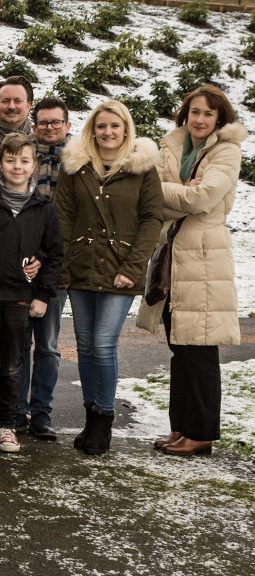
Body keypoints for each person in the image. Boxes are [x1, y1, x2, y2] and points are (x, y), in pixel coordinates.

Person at [138, 85, 245, 457]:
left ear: (220, 119)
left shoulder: (227, 152)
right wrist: (181, 190)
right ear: (186, 114)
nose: (200, 119)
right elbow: (149, 195)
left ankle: (201, 432)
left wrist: (173, 192)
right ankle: (181, 426)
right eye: (195, 112)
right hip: (172, 256)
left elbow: (203, 198)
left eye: (208, 114)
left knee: (199, 349)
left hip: (202, 258)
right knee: (179, 347)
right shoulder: (173, 148)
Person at [55, 99, 162, 456]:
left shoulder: (142, 169)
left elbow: (151, 220)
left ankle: (104, 416)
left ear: (126, 129)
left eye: (114, 126)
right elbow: (63, 217)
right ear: (92, 130)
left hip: (121, 269)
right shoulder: (76, 167)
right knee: (84, 346)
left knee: (103, 343)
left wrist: (132, 269)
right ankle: (90, 415)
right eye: (101, 126)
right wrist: (65, 267)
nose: (107, 132)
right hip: (82, 267)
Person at [0, 133, 62, 455]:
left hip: (20, 298)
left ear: (34, 165)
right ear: (0, 162)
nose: (17, 166)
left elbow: (53, 253)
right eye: (10, 160)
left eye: (24, 160)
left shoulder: (43, 208)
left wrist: (43, 294)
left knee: (12, 365)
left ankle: (9, 424)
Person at [19, 95, 73, 440]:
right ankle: (17, 409)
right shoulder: (25, 157)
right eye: (43, 122)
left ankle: (41, 411)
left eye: (56, 122)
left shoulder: (80, 163)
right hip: (24, 263)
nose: (49, 127)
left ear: (68, 125)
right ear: (34, 124)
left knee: (49, 345)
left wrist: (51, 258)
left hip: (58, 266)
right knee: (19, 342)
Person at [0, 76, 34, 141]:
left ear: (29, 105)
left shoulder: (41, 143)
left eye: (18, 101)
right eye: (5, 101)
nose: (11, 107)